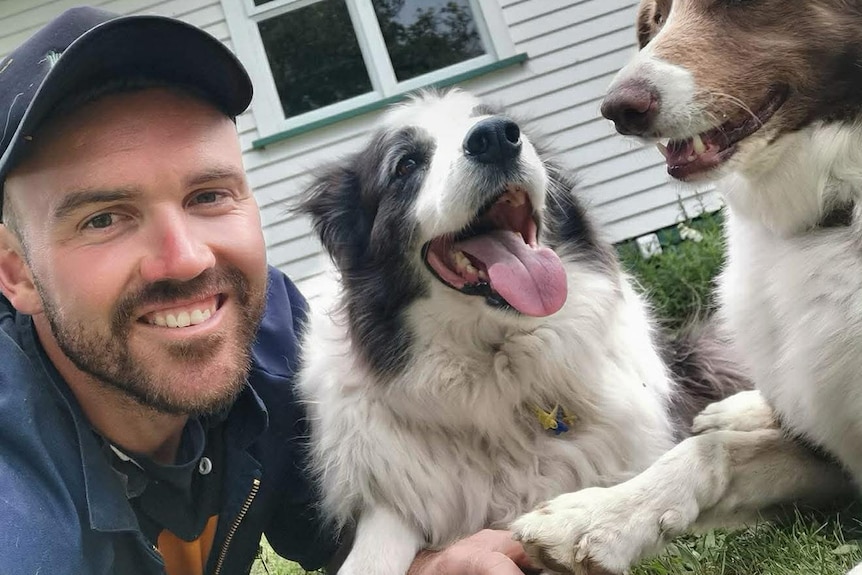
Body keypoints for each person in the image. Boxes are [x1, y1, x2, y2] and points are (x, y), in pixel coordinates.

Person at [0, 6, 537, 575]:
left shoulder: (273, 339)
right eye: (104, 218)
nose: (186, 260)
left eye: (208, 195)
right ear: (16, 273)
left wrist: (429, 568)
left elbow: (335, 541)